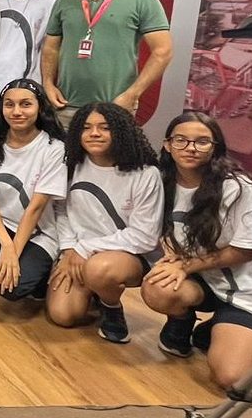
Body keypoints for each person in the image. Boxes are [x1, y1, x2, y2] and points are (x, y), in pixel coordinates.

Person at [142, 111, 252, 390]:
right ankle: (182, 324)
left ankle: (217, 330)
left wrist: (185, 265)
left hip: (247, 295)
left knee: (232, 379)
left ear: (215, 147)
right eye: (181, 140)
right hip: (205, 282)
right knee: (158, 286)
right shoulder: (162, 182)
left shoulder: (241, 189)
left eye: (202, 141)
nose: (190, 148)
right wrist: (171, 256)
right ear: (167, 145)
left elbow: (245, 252)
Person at [48, 102, 162, 343]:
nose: (94, 134)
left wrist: (86, 248)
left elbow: (144, 237)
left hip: (125, 256)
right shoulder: (71, 164)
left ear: (121, 131)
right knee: (63, 314)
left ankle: (110, 306)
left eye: (104, 127)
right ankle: (91, 291)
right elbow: (61, 209)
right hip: (76, 252)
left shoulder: (145, 173)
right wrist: (68, 248)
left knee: (99, 269)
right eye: (86, 127)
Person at [41, 0, 173, 129]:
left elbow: (163, 51)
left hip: (116, 108)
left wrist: (132, 94)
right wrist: (48, 84)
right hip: (66, 108)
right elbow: (51, 47)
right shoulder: (64, 1)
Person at [0, 79, 67, 301]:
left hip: (38, 233)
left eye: (26, 104)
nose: (16, 112)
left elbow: (36, 208)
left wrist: (13, 252)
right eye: (9, 104)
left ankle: (38, 277)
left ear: (40, 108)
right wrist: (7, 246)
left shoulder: (54, 148)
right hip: (3, 226)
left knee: (12, 290)